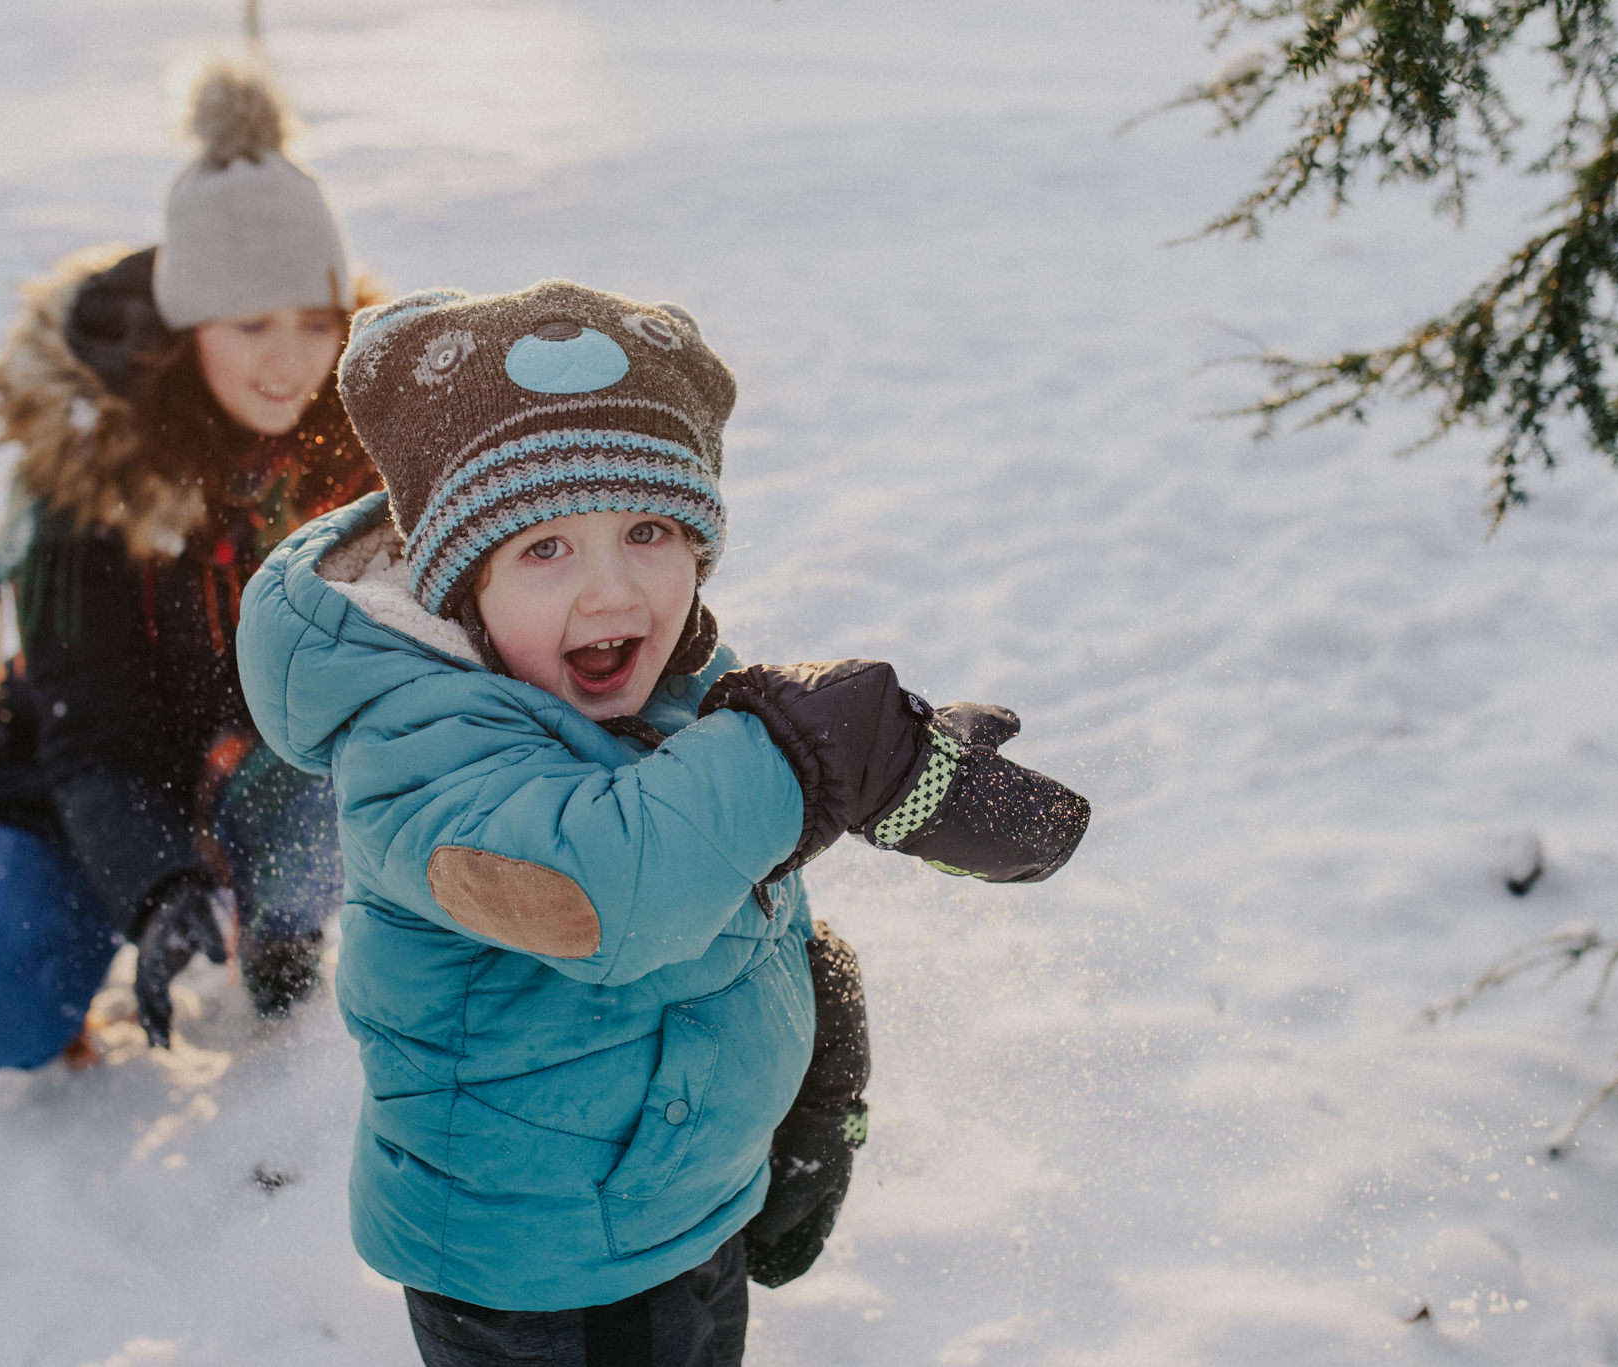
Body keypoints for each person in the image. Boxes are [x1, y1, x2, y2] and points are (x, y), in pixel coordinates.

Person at [235, 280, 1089, 1364]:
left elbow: (733, 881)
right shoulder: (416, 744)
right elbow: (605, 888)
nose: (609, 594)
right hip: (542, 1287)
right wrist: (809, 748)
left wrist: (817, 1072)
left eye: (646, 531)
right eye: (542, 547)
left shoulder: (674, 687)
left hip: (672, 1213)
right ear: (461, 583)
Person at [0, 59, 383, 1070]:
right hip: (112, 769)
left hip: (277, 768)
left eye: (312, 318)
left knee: (346, 763)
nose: (289, 361)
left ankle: (287, 927)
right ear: (187, 321)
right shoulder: (93, 460)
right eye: (250, 322)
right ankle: (89, 940)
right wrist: (156, 882)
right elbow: (91, 732)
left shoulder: (362, 428)